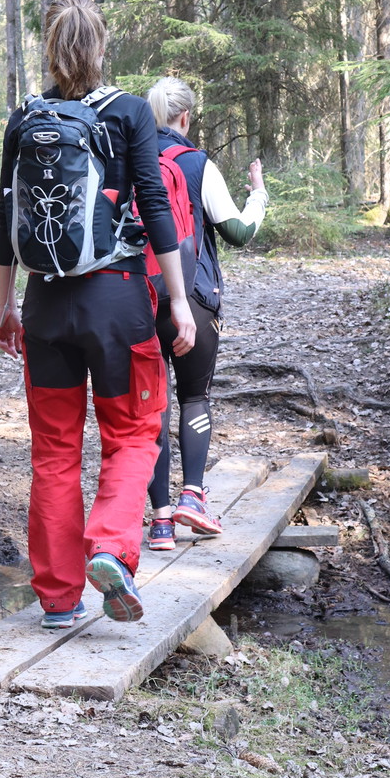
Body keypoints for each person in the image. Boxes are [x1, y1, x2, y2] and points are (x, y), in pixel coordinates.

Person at [0, 0, 196, 628]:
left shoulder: (26, 117)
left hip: (46, 302)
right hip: (118, 303)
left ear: (51, 49)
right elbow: (156, 208)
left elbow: (7, 218)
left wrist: (4, 305)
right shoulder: (131, 113)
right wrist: (180, 301)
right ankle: (110, 549)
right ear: (102, 48)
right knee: (134, 433)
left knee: (53, 452)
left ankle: (57, 598)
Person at [144, 77, 268, 549]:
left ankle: (158, 522)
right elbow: (237, 231)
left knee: (152, 405)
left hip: (138, 298)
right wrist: (258, 194)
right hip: (192, 296)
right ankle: (192, 498)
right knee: (194, 397)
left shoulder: (128, 160)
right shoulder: (196, 163)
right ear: (185, 117)